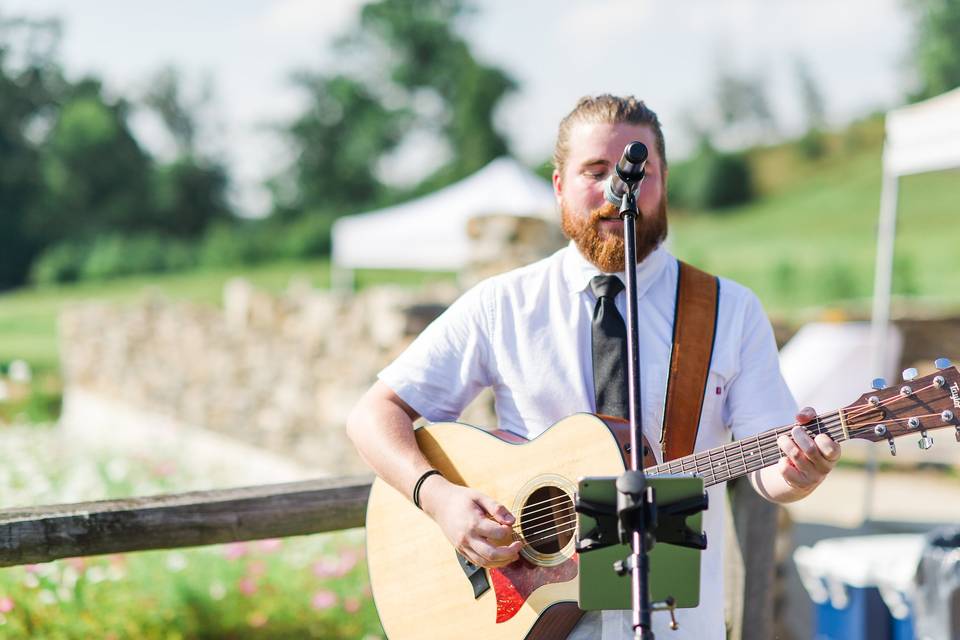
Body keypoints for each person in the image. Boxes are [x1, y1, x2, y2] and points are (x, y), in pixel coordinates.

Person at [346, 94, 840, 639]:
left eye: (635, 170)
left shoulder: (728, 310)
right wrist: (439, 499)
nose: (615, 190)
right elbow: (374, 414)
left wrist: (799, 473)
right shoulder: (503, 304)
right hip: (536, 622)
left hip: (676, 622)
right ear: (558, 185)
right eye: (595, 171)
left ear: (664, 180)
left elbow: (768, 466)